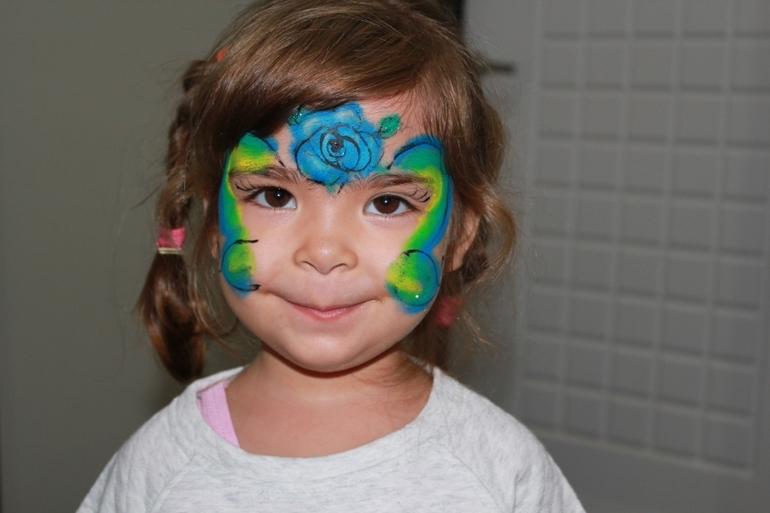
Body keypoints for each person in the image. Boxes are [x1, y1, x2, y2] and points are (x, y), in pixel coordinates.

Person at [78, 0, 584, 511]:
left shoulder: (501, 472)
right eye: (275, 195)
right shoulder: (156, 471)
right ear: (212, 224)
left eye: (388, 203)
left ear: (459, 236)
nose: (323, 252)